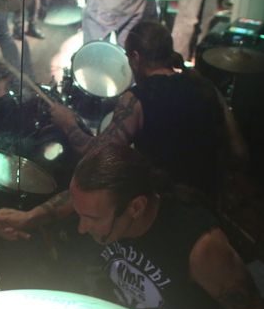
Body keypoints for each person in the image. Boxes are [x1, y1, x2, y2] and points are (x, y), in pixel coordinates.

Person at [0, 142, 264, 309]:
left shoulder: (201, 246)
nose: (82, 228)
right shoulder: (107, 200)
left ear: (136, 207)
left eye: (92, 218)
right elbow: (75, 200)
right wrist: (30, 217)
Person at [47, 21, 247, 201]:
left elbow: (97, 155)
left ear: (135, 57)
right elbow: (239, 151)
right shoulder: (207, 87)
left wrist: (68, 123)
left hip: (165, 205)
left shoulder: (137, 99)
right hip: (209, 200)